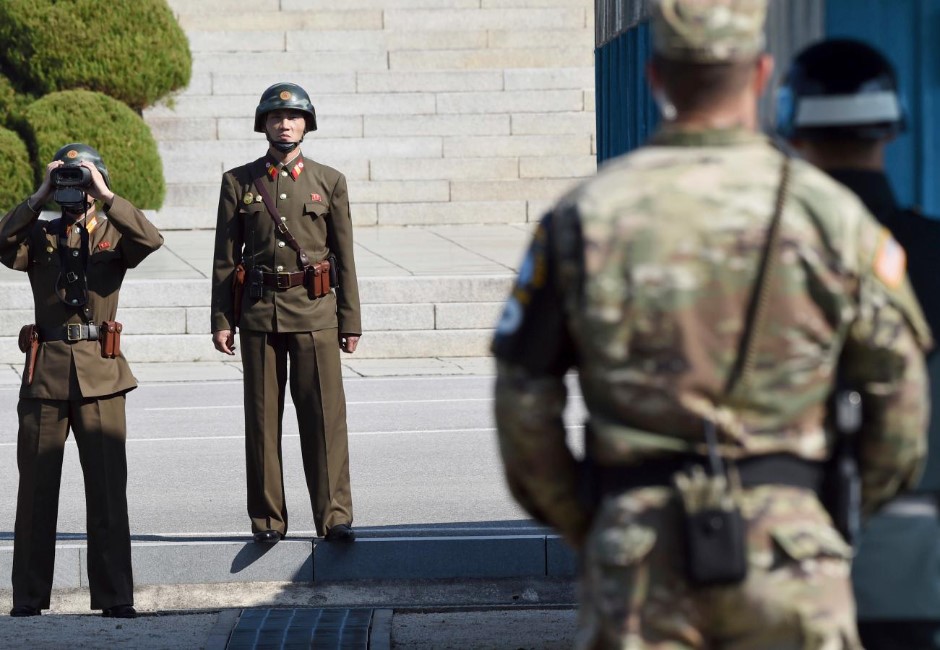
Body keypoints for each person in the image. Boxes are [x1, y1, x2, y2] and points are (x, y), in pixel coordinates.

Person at [492, 1, 931, 647]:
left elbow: (523, 399)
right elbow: (900, 397)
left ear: (655, 79)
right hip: (792, 559)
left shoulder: (584, 215)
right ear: (761, 74)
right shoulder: (830, 215)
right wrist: (820, 517)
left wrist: (600, 521)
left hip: (636, 555)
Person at [778, 38, 940, 650]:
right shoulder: (932, 255)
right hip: (915, 577)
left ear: (792, 127)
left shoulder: (750, 268)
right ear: (891, 129)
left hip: (770, 574)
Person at [0, 143, 163, 618]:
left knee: (109, 491)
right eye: (68, 184)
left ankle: (114, 597)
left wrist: (105, 193)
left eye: (80, 183)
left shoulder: (115, 230)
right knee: (34, 494)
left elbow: (150, 240)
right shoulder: (41, 233)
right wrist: (41, 193)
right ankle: (29, 598)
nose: (75, 192)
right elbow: (1, 243)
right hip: (45, 374)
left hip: (101, 374)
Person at [211, 82, 361, 544]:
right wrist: (222, 319)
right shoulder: (238, 181)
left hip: (316, 313)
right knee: (261, 421)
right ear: (264, 125)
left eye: (294, 117)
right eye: (276, 118)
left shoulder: (328, 181)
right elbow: (223, 256)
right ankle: (268, 519)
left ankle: (334, 516)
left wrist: (350, 320)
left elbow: (345, 255)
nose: (285, 124)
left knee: (324, 418)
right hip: (258, 313)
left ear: (306, 124)